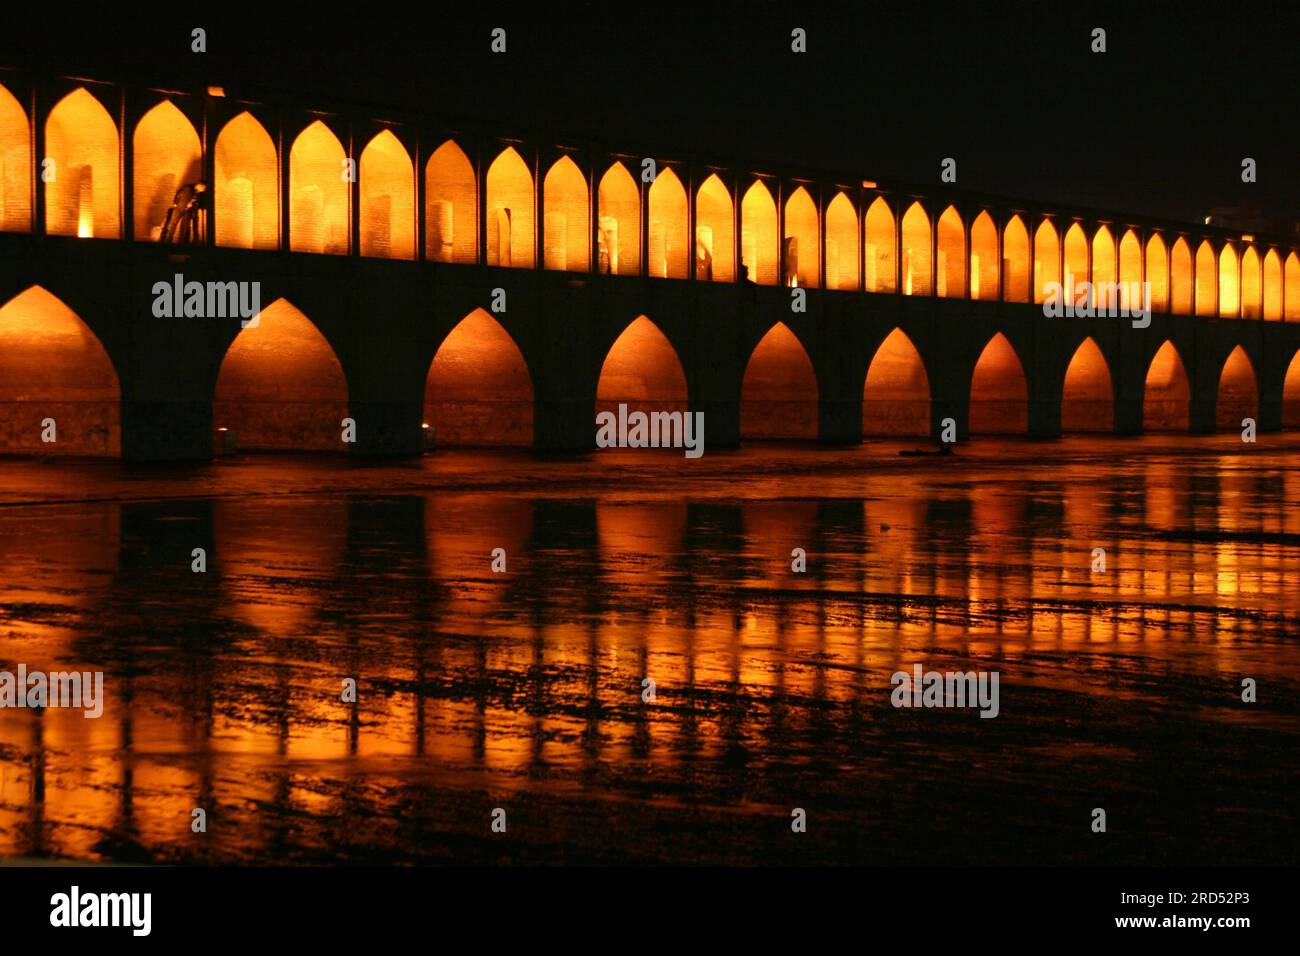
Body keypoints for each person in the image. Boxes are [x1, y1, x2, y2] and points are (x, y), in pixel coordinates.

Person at [160, 181, 208, 245]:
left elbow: (195, 201)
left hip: (188, 211)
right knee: (173, 225)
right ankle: (167, 241)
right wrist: (175, 203)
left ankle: (182, 243)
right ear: (199, 185)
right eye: (203, 188)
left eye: (204, 188)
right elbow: (178, 193)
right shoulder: (188, 188)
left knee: (185, 227)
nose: (203, 190)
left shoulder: (197, 193)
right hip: (179, 208)